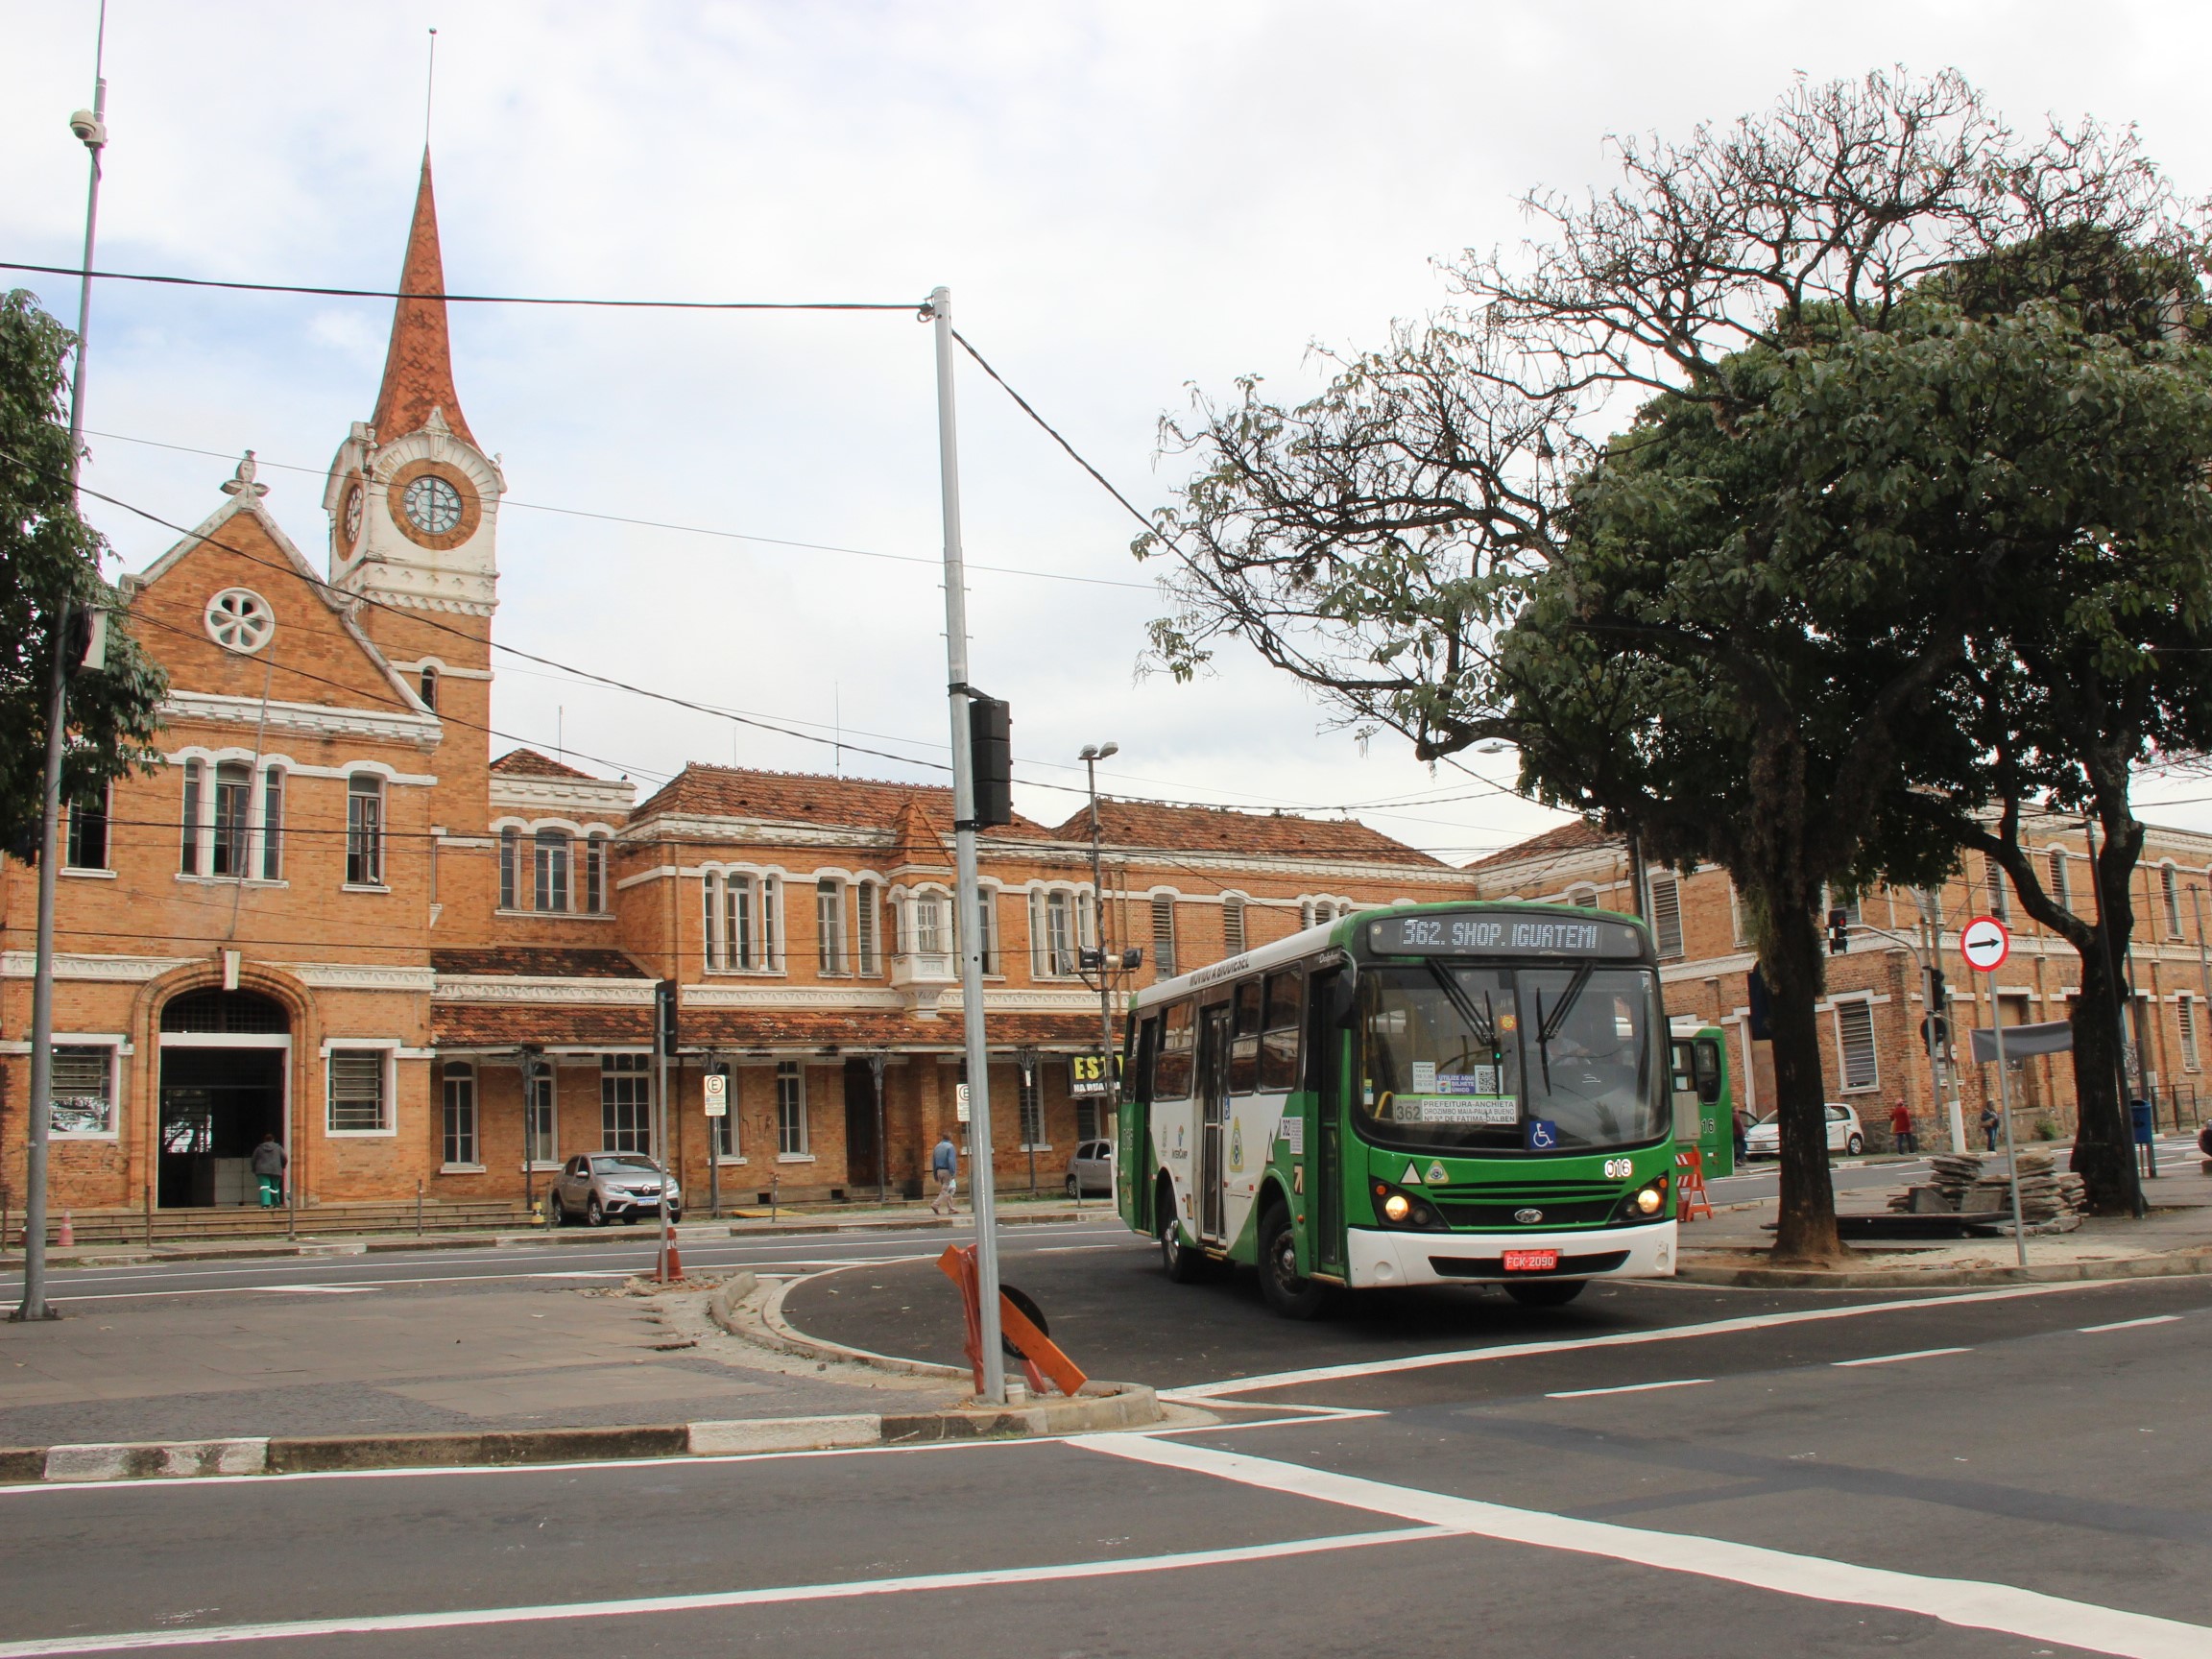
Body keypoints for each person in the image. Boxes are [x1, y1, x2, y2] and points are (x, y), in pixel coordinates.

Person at [251, 1132, 286, 1208]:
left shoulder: (259, 1148)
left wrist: (254, 1169)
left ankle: (265, 1204)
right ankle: (276, 1205)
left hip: (262, 1170)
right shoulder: (279, 1148)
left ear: (264, 1140)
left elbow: (253, 1159)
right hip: (276, 1170)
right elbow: (284, 1158)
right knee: (275, 1188)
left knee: (264, 1186)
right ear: (273, 1140)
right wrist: (282, 1166)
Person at [930, 1133, 959, 1215]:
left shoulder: (937, 1147)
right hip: (947, 1170)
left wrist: (935, 1173)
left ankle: (951, 1208)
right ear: (950, 1138)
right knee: (945, 1190)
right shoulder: (950, 1147)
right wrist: (953, 1171)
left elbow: (933, 1161)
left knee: (948, 1190)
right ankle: (936, 1204)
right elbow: (951, 1160)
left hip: (939, 1170)